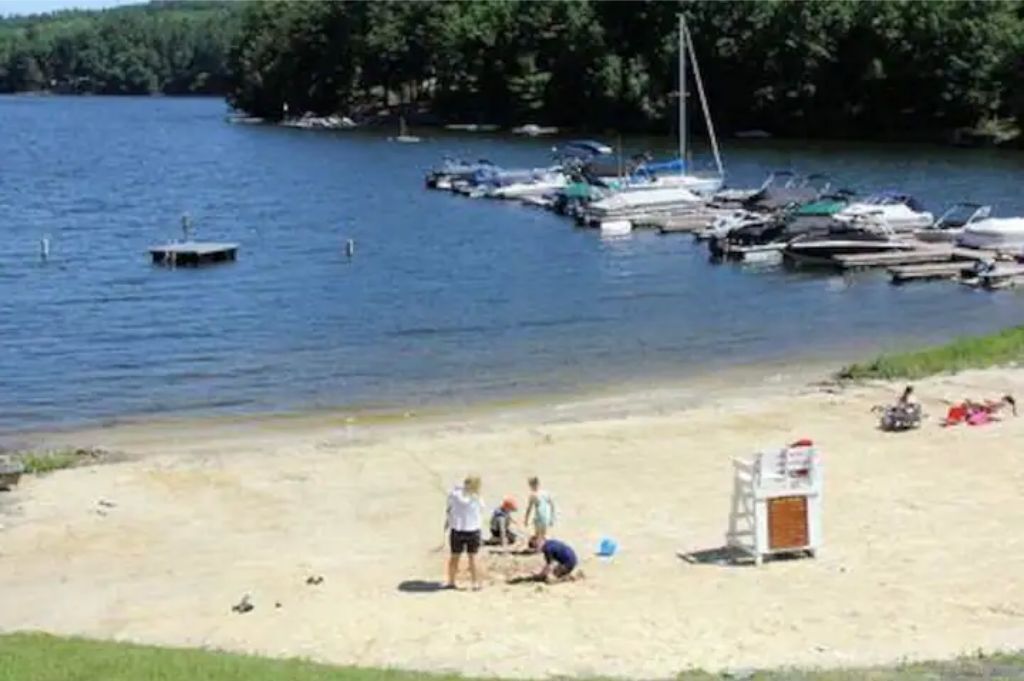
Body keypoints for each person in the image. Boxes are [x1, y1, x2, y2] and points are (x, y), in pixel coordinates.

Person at [444, 475, 484, 590]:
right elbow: (481, 509)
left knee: (454, 556)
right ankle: (475, 583)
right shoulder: (477, 497)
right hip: (473, 530)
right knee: (473, 557)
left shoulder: (455, 494)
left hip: (457, 529)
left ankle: (451, 581)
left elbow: (449, 507)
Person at [524, 476, 555, 550]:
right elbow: (552, 505)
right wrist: (552, 517)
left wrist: (526, 519)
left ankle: (538, 549)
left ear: (531, 485)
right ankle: (544, 548)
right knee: (543, 534)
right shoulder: (546, 493)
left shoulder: (533, 495)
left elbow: (529, 508)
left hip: (539, 516)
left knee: (538, 534)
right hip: (546, 516)